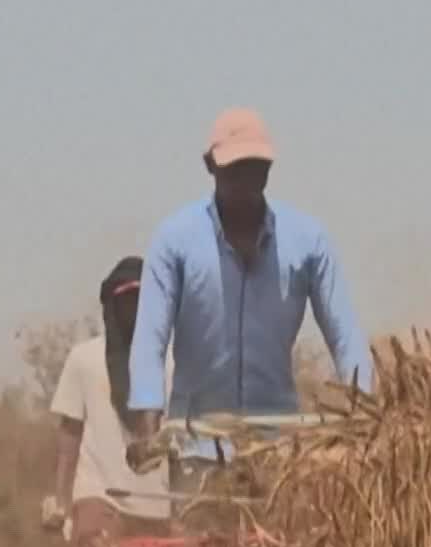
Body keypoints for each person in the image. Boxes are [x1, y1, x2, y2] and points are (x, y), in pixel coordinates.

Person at [123, 107, 374, 503]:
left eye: (256, 169)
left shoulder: (308, 242)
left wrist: (367, 411)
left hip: (276, 449)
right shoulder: (175, 241)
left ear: (269, 171)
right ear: (211, 167)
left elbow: (345, 337)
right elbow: (149, 342)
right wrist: (148, 425)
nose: (246, 182)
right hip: (196, 447)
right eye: (234, 170)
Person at [42, 256, 174, 547]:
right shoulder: (84, 360)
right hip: (99, 493)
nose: (134, 309)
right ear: (112, 305)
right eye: (126, 300)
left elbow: (179, 435)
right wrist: (61, 499)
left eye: (142, 300)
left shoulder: (171, 365)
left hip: (154, 503)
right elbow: (69, 432)